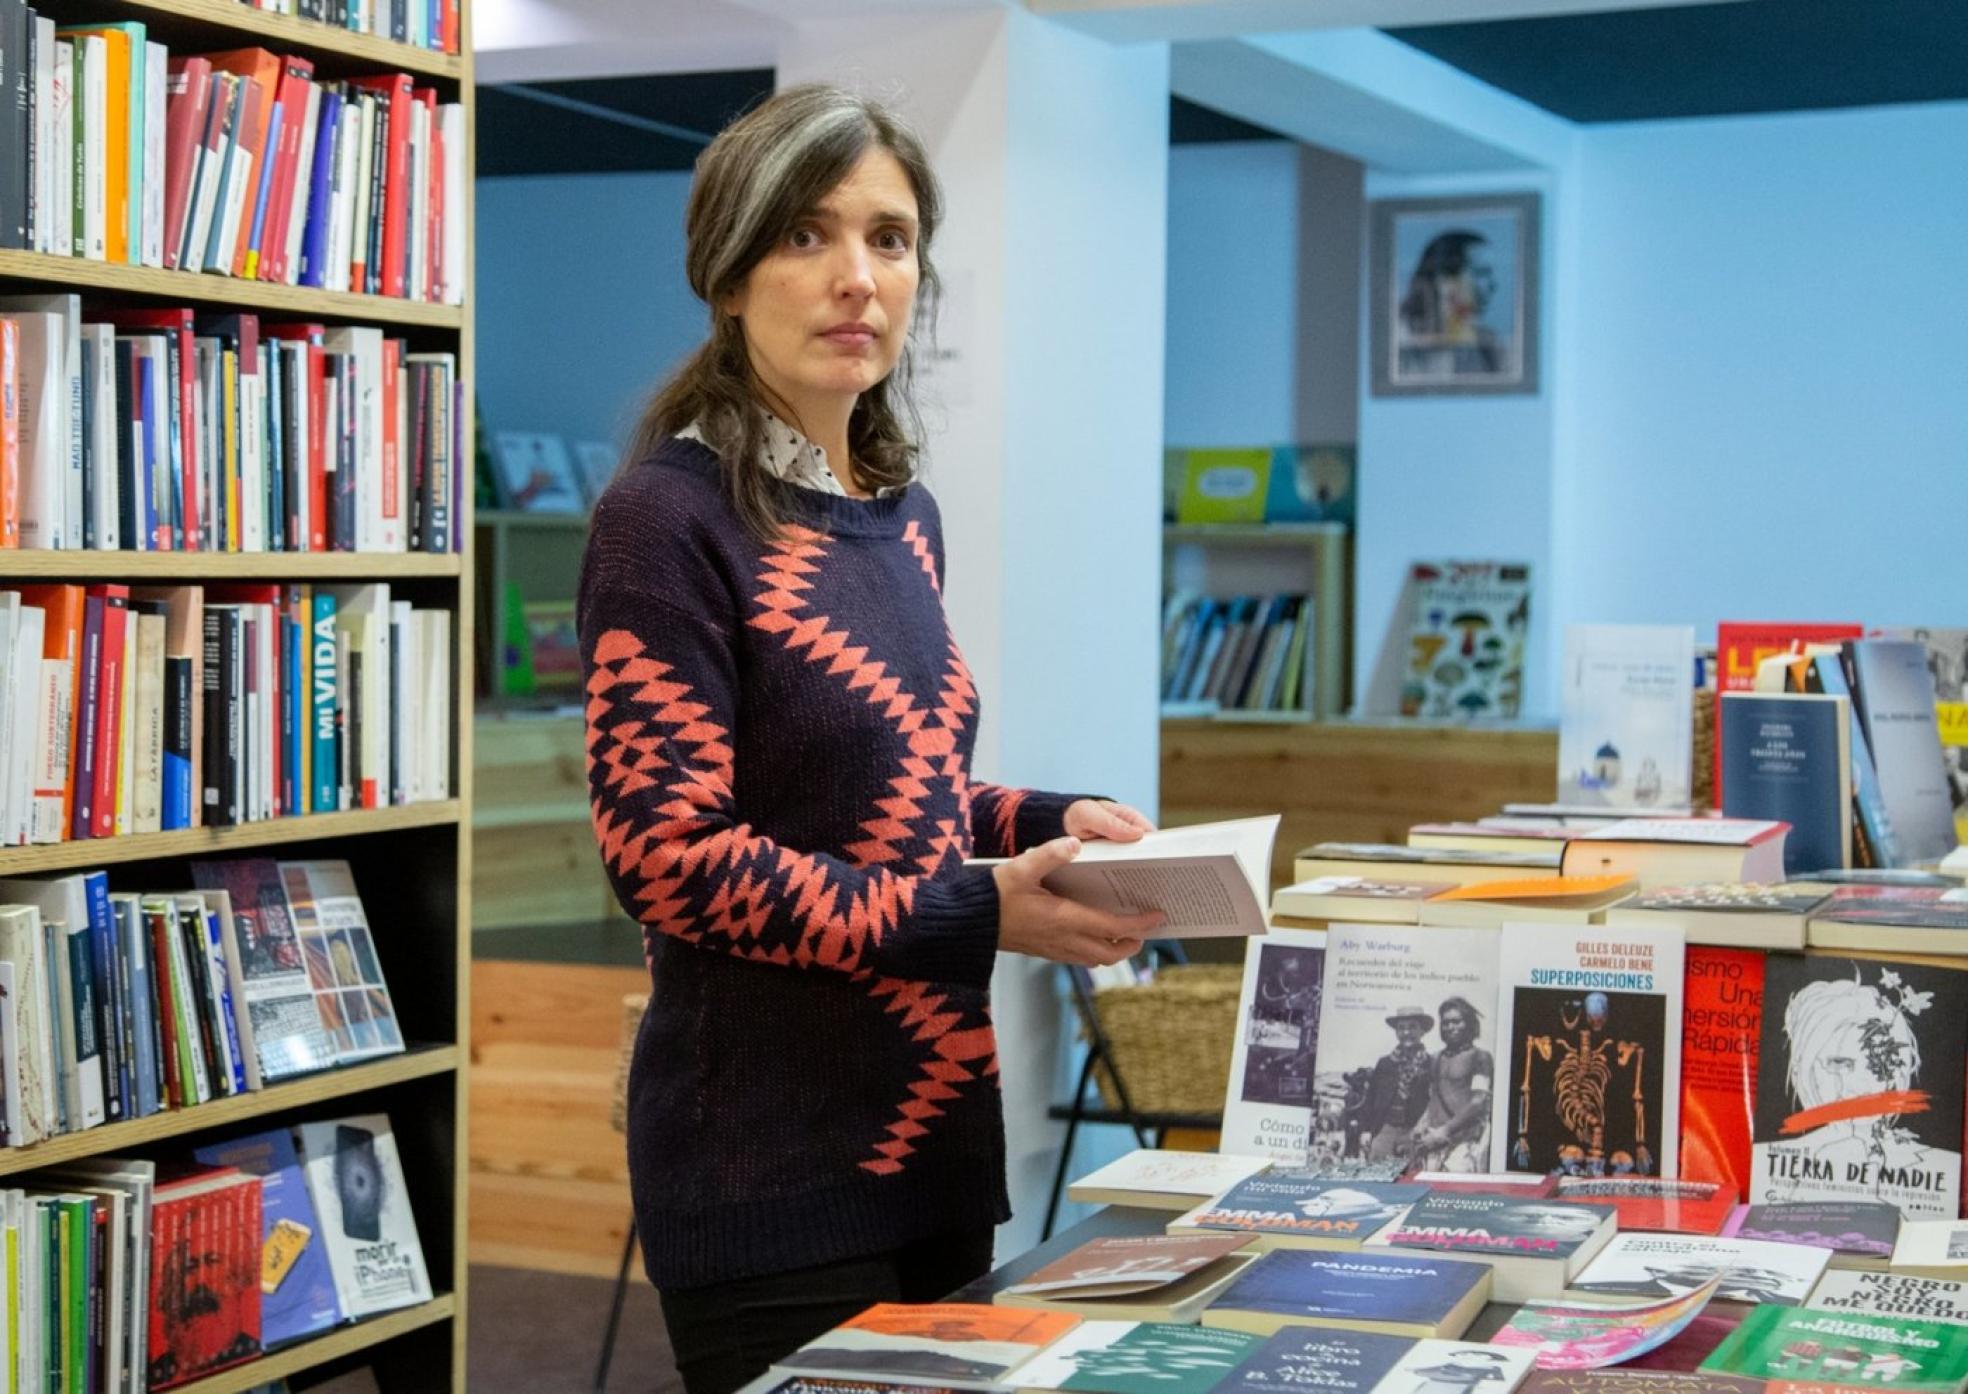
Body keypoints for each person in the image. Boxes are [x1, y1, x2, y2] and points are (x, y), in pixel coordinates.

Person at [576, 84, 1163, 1394]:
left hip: (935, 1150)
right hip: (771, 1177)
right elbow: (667, 855)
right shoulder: (664, 521)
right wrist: (974, 912)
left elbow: (903, 788)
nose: (856, 277)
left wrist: (1048, 822)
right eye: (805, 236)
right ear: (725, 275)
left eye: (889, 240)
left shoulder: (898, 518)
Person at [1413, 995, 1493, 1173]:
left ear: (1470, 1024)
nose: (1450, 1027)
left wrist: (1445, 1132)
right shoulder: (1435, 1059)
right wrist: (1420, 1126)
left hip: (1464, 1145)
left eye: (1457, 1022)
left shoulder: (1480, 1057)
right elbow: (1432, 1098)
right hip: (1433, 1143)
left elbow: (1478, 1101)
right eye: (1446, 1023)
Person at [1360, 1006, 1436, 1162]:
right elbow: (1371, 1098)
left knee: (1411, 1175)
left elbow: (1434, 1101)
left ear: (1422, 1031)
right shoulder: (1385, 1063)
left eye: (1413, 1027)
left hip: (1414, 1132)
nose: (1407, 1032)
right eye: (1401, 1028)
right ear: (1396, 1032)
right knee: (1377, 1173)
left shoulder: (1431, 1064)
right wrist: (1366, 1130)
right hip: (1385, 1129)